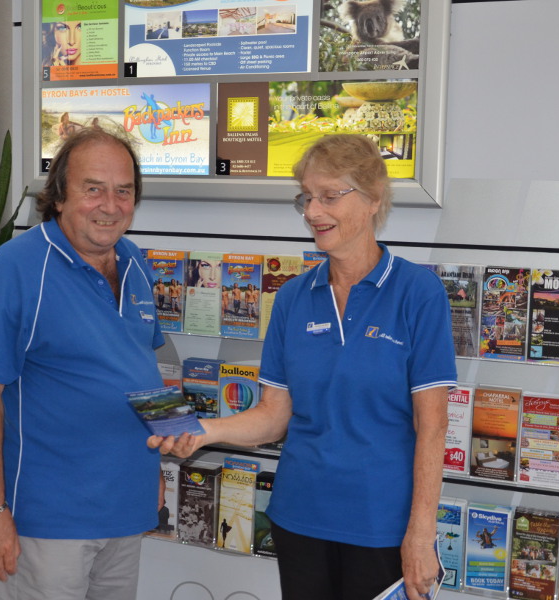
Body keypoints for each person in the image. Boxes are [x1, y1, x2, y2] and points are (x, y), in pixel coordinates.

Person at [149, 134, 457, 600]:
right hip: (301, 518)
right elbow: (274, 416)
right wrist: (203, 431)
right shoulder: (293, 297)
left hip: (382, 525)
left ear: (373, 199)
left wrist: (421, 530)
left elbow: (432, 426)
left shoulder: (419, 293)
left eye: (330, 195)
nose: (313, 211)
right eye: (307, 198)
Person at [0, 124, 166, 600]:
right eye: (93, 190)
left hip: (124, 508)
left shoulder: (134, 262)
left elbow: (143, 369)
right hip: (47, 521)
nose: (110, 205)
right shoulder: (15, 269)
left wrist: (154, 465)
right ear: (59, 196)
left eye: (123, 191)